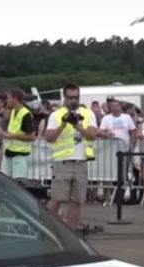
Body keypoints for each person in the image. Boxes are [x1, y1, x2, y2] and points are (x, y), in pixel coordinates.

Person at [44, 83, 98, 229]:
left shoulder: (88, 114)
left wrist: (77, 125)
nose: (73, 100)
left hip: (81, 161)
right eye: (70, 97)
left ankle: (71, 232)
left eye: (76, 97)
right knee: (57, 199)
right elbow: (48, 137)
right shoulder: (56, 115)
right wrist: (63, 124)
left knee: (77, 200)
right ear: (64, 97)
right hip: (62, 162)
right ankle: (47, 229)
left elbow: (92, 135)